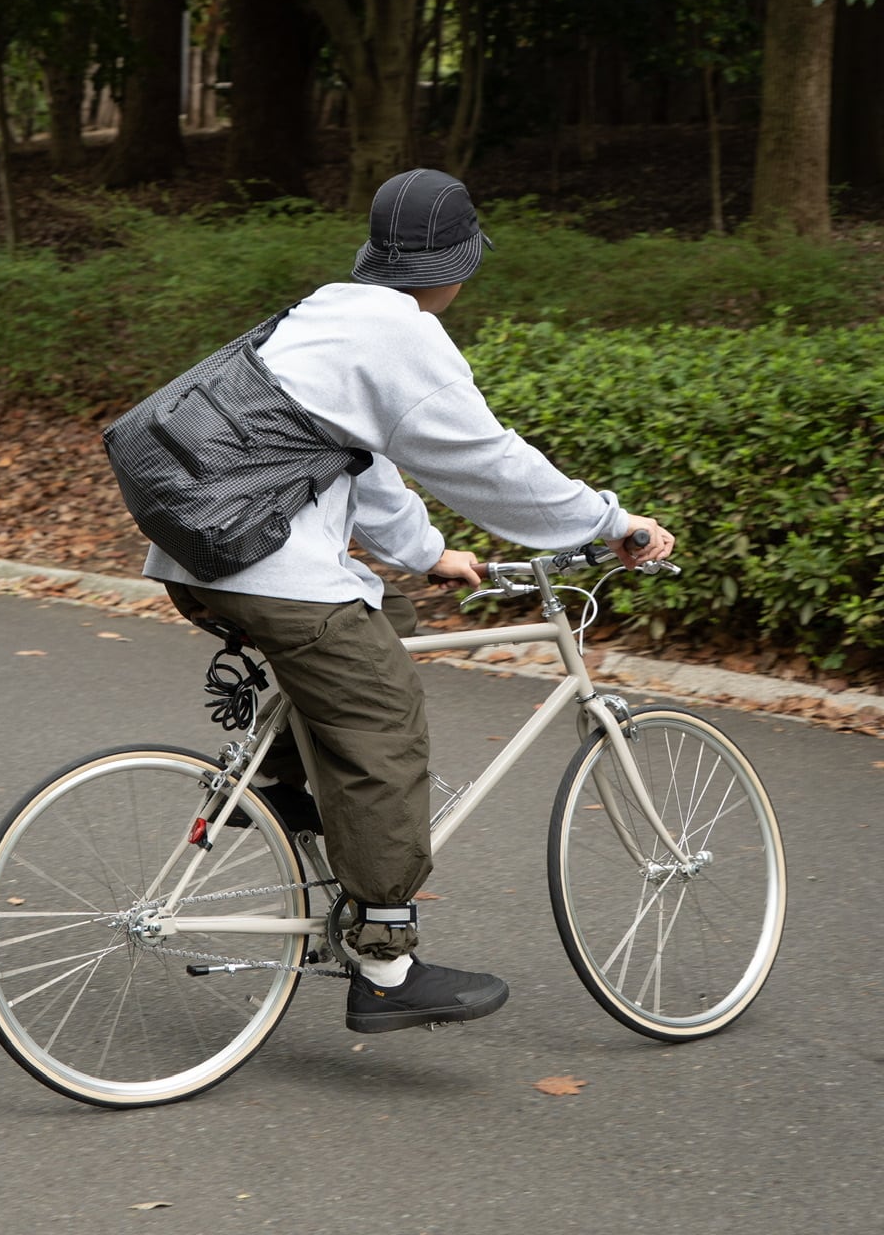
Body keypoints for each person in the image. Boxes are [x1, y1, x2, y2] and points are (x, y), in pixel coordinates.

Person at [144, 167, 675, 1035]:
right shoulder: (405, 335)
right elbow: (489, 461)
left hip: (195, 553)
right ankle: (387, 961)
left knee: (380, 622)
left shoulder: (329, 310)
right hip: (266, 566)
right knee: (385, 715)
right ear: (458, 262)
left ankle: (284, 795)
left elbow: (362, 458)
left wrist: (427, 555)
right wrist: (609, 520)